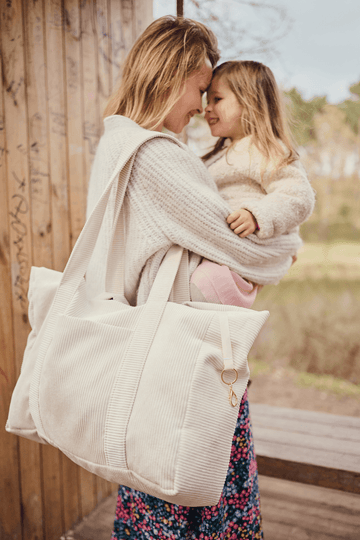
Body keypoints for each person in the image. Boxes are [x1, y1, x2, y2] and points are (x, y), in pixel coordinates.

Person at [86, 15, 304, 540]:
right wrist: (284, 247)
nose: (202, 105)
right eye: (201, 88)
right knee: (198, 498)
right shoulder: (156, 156)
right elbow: (249, 251)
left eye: (213, 95)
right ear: (172, 74)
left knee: (159, 488)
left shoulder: (119, 144)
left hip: (159, 354)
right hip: (184, 365)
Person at [190, 60, 315, 308]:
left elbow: (298, 197)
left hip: (236, 267)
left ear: (249, 103)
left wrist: (256, 215)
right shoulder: (220, 154)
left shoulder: (265, 148)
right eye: (207, 100)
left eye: (217, 99)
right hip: (221, 253)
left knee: (198, 288)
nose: (207, 108)